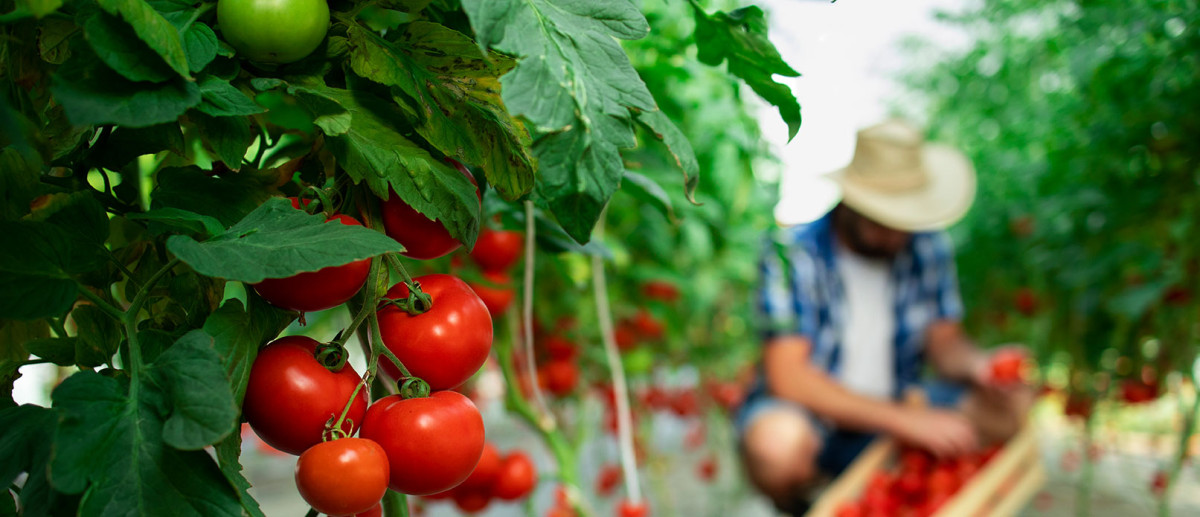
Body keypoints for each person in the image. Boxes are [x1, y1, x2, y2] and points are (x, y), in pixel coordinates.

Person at [736, 120, 1033, 514]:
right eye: (883, 221)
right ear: (851, 202)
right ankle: (803, 504)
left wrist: (980, 365)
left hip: (901, 404)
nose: (897, 235)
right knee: (776, 445)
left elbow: (945, 343)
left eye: (904, 222)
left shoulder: (926, 247)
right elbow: (788, 377)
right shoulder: (791, 253)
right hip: (817, 419)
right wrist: (906, 422)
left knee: (1015, 405)